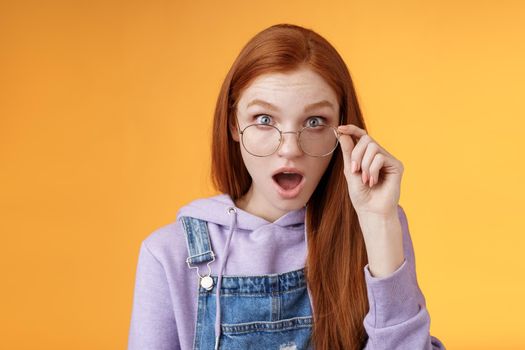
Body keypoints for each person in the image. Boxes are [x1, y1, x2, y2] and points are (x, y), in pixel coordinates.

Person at [127, 23, 446, 350]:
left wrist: (380, 223)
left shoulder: (375, 229)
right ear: (234, 126)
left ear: (343, 132)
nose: (290, 148)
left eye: (314, 121)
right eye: (264, 119)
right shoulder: (168, 254)